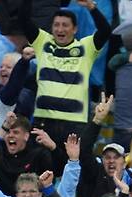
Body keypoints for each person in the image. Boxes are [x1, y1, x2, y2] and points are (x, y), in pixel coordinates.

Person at [21, 0, 111, 174]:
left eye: (65, 25)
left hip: (74, 124)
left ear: (75, 29)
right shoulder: (42, 42)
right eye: (56, 25)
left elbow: (105, 31)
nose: (60, 29)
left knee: (72, 167)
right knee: (40, 170)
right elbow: (24, 20)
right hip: (44, 121)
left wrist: (92, 8)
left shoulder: (86, 47)